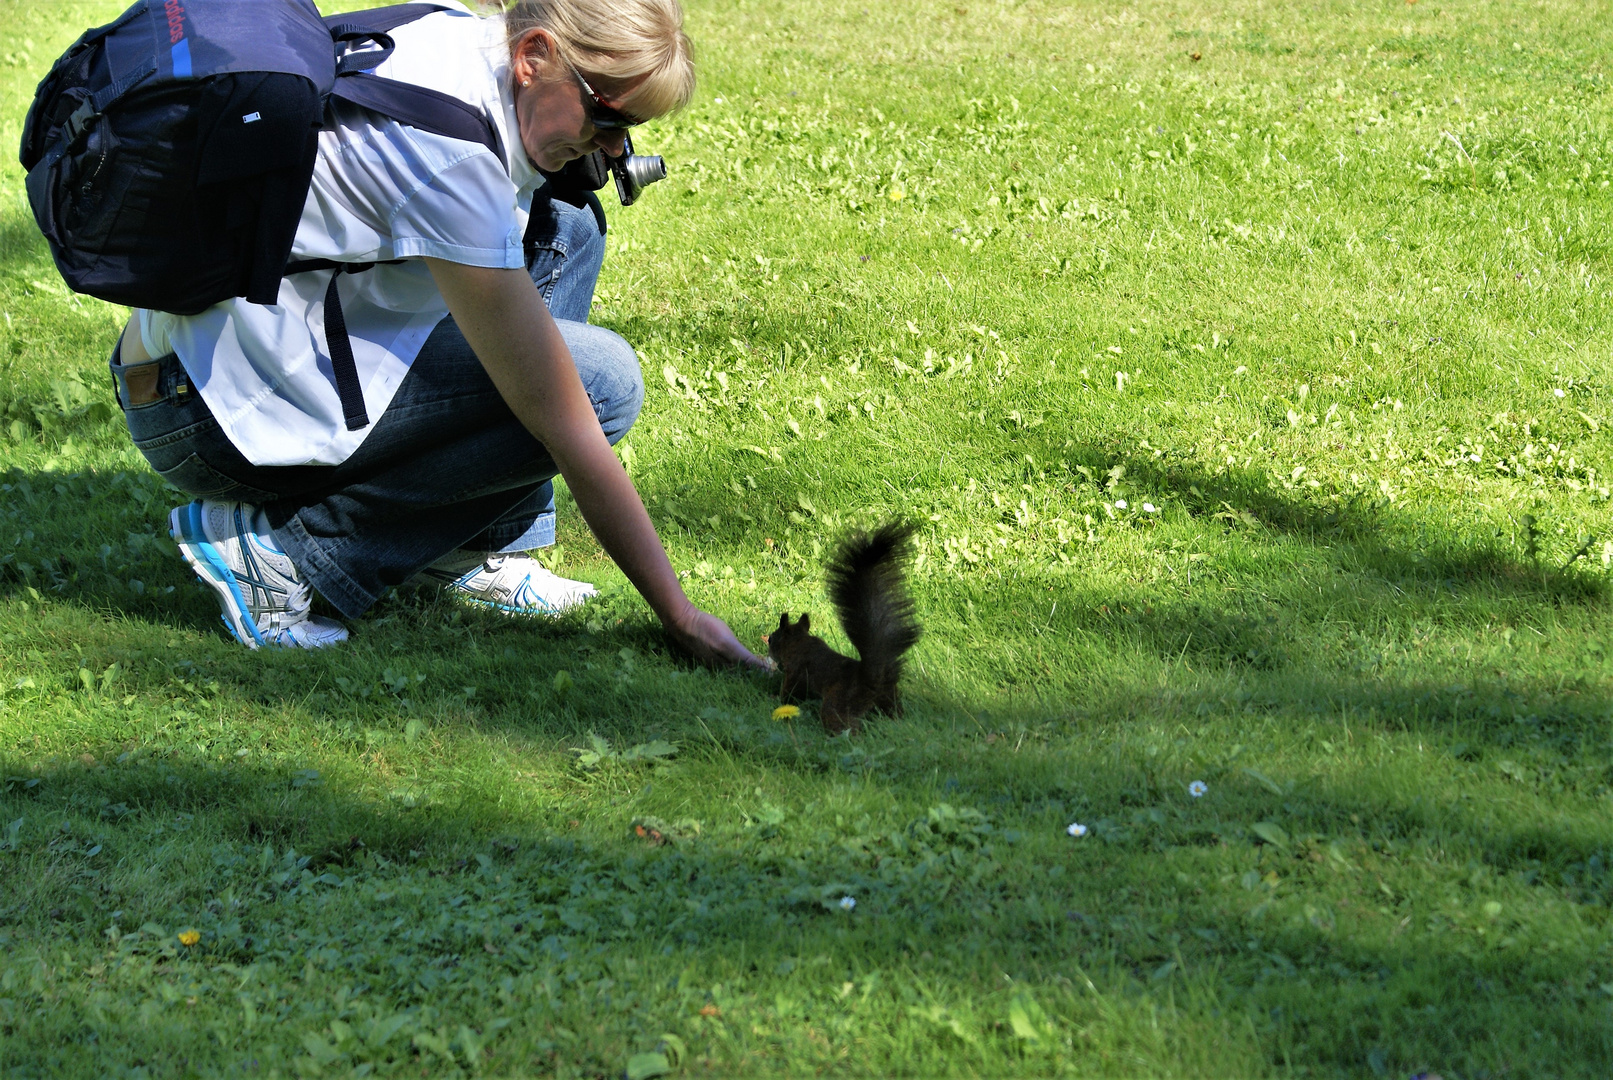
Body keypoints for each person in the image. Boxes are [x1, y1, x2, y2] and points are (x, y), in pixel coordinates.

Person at [107, 0, 765, 669]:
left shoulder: (454, 34)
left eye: (629, 132)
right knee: (601, 386)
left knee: (567, 224)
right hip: (206, 417)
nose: (614, 147)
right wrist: (680, 617)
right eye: (606, 117)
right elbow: (562, 417)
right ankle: (285, 553)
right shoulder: (448, 159)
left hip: (199, 357)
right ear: (533, 55)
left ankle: (470, 548)